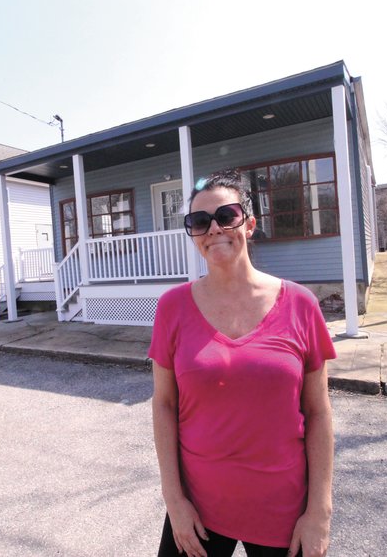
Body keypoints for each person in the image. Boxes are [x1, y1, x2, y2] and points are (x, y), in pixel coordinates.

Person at [150, 174, 336, 557]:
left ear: (249, 224)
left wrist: (319, 510)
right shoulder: (172, 307)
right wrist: (174, 501)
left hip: (283, 510)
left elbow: (318, 412)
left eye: (227, 215)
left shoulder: (301, 304)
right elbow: (164, 405)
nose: (214, 228)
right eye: (199, 222)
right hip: (198, 509)